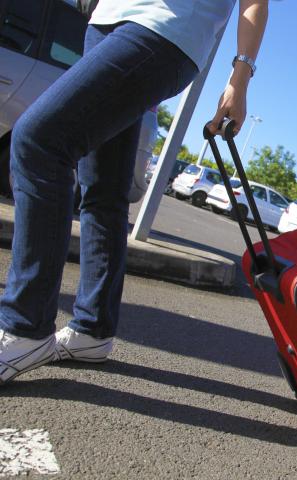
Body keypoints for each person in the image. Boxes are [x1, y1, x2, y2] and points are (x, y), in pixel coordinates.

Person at [0, 0, 268, 385]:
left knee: (38, 142)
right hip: (106, 21)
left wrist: (239, 78)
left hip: (166, 29)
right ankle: (93, 329)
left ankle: (25, 327)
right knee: (103, 187)